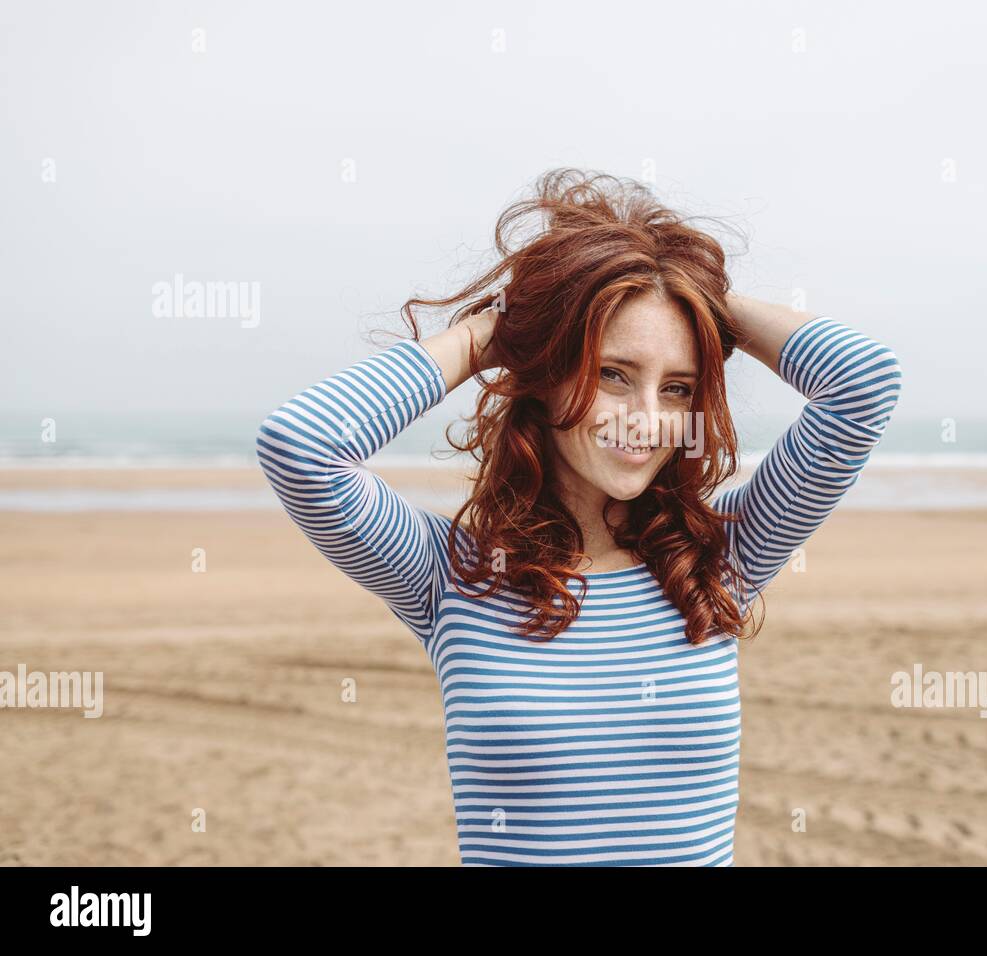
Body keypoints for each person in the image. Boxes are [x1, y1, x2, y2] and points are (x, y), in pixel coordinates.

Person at [256, 169, 902, 865]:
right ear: (550, 373)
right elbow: (300, 445)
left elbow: (864, 385)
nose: (646, 419)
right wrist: (496, 334)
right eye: (613, 373)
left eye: (677, 387)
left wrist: (695, 295)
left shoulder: (721, 557)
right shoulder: (451, 575)